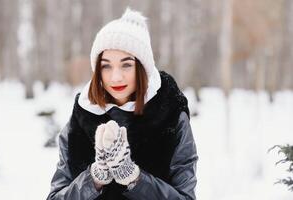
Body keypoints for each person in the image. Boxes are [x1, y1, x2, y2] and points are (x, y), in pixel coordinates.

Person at [47, 7, 198, 200]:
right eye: (106, 66)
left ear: (143, 68)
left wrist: (133, 178)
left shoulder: (170, 114)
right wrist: (94, 178)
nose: (116, 77)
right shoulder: (81, 117)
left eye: (127, 65)